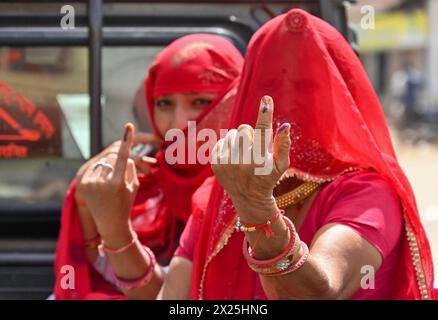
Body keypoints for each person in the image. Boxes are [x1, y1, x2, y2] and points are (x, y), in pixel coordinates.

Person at [166, 9, 436, 300]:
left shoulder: (367, 192)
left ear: (340, 100)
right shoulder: (217, 197)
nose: (292, 104)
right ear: (245, 96)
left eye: (309, 88)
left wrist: (256, 210)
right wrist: (118, 232)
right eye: (270, 88)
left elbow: (316, 293)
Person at [53, 33, 243, 300]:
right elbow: (85, 279)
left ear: (236, 100)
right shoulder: (139, 182)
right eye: (164, 103)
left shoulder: (258, 185)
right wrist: (85, 199)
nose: (178, 123)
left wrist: (117, 231)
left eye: (200, 101)